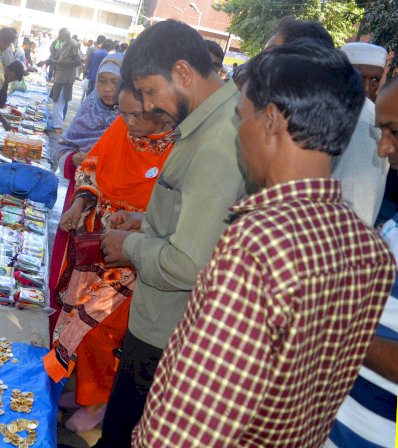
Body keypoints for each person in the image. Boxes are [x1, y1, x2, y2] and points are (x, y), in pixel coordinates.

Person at [132, 40, 396, 447]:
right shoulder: (370, 250)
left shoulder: (257, 245)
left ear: (270, 121)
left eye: (242, 118)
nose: (239, 136)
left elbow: (191, 421)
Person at [96, 20, 249, 447]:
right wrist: (146, 220)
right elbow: (193, 217)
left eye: (148, 91)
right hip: (160, 323)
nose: (146, 105)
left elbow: (188, 263)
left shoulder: (219, 140)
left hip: (169, 335)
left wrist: (129, 245)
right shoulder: (204, 125)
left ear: (182, 72)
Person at [44, 84, 174, 433]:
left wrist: (133, 226)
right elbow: (91, 168)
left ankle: (99, 399)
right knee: (75, 315)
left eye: (135, 115)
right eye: (123, 113)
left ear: (159, 110)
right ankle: (86, 391)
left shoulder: (179, 149)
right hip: (94, 243)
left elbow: (170, 215)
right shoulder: (121, 127)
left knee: (103, 329)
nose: (126, 122)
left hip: (131, 255)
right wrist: (78, 203)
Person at [326, 79, 398, 448]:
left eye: (395, 132)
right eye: (381, 132)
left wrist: (328, 324)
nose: (384, 148)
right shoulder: (393, 230)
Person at [266, 18, 388, 225]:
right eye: (358, 76)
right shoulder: (326, 106)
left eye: (374, 80)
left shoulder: (362, 121)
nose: (366, 88)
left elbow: (354, 210)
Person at [49, 54, 122, 326]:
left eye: (115, 82)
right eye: (102, 81)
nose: (107, 88)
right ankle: (55, 327)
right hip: (77, 200)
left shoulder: (131, 120)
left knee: (92, 278)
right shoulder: (88, 108)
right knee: (66, 268)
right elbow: (63, 146)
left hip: (109, 207)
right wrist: (73, 159)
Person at [39, 28, 82, 132]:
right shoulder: (64, 43)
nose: (59, 38)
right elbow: (56, 59)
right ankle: (56, 124)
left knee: (59, 101)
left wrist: (62, 63)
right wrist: (45, 62)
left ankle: (57, 125)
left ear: (65, 35)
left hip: (65, 78)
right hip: (60, 77)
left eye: (60, 36)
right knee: (56, 100)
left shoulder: (72, 44)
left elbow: (77, 62)